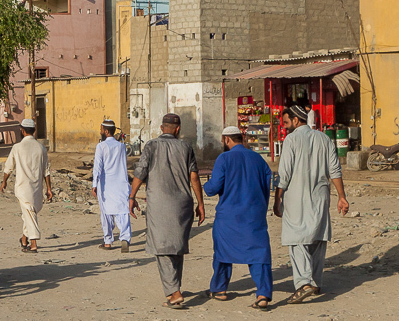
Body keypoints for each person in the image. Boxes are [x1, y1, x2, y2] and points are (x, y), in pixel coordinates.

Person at [273, 105, 350, 304]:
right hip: (320, 197)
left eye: (287, 122)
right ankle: (316, 283)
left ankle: (304, 284)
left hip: (296, 198)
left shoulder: (291, 140)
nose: (286, 126)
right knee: (317, 238)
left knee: (296, 239)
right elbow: (335, 170)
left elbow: (284, 174)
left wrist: (277, 198)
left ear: (297, 120)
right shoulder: (324, 139)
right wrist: (342, 196)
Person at [129, 113, 205, 309]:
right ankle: (175, 288)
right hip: (183, 204)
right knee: (176, 246)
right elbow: (194, 177)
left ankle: (174, 292)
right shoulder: (186, 147)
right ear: (178, 129)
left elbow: (140, 172)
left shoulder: (151, 146)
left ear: (161, 128)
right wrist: (201, 203)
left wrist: (131, 197)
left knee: (162, 248)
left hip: (160, 204)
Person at [202, 126, 274, 309]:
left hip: (229, 216)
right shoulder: (258, 159)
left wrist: (205, 185)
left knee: (223, 252)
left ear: (226, 140)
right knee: (259, 254)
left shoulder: (224, 158)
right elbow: (267, 186)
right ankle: (263, 294)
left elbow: (213, 188)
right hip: (254, 215)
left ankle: (219, 289)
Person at [0, 119, 53, 253]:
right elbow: (46, 171)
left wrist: (4, 181)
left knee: (28, 213)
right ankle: (24, 239)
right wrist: (49, 189)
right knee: (29, 213)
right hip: (36, 188)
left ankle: (33, 243)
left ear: (22, 131)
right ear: (34, 131)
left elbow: (8, 167)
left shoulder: (17, 147)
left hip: (23, 188)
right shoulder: (41, 148)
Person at [93, 119, 132, 252]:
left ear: (106, 131)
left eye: (101, 129)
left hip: (105, 184)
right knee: (122, 211)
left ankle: (108, 241)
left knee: (106, 213)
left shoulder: (101, 146)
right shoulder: (122, 147)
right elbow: (123, 166)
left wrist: (94, 184)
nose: (100, 131)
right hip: (121, 183)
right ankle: (125, 238)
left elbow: (97, 167)